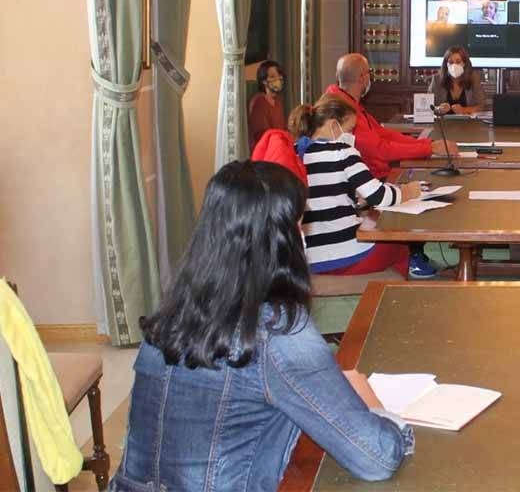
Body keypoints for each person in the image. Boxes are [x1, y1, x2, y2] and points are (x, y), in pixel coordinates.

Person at [109, 161, 414, 491]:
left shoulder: (169, 316)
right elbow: (376, 457)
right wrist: (373, 405)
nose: (304, 235)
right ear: (280, 240)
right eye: (299, 225)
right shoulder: (279, 333)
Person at [325, 54, 455, 278]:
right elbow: (380, 149)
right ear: (363, 78)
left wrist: (425, 144)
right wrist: (428, 149)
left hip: (370, 177)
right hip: (365, 184)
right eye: (369, 75)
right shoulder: (341, 109)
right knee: (418, 193)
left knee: (420, 184)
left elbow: (382, 134)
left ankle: (415, 253)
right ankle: (413, 256)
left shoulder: (346, 101)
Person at [290, 95, 420, 276]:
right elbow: (379, 196)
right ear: (334, 125)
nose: (352, 136)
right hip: (343, 256)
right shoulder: (342, 151)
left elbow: (325, 195)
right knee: (400, 246)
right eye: (350, 129)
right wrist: (407, 191)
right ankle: (389, 296)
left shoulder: (294, 151)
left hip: (306, 259)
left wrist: (355, 201)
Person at [428, 46, 486, 115]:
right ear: (446, 64)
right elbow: (428, 106)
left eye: (458, 62)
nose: (454, 65)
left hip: (468, 124)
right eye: (450, 62)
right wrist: (438, 109)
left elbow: (482, 106)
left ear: (464, 63)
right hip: (443, 124)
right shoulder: (437, 79)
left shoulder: (474, 79)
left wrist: (464, 110)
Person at [248, 60, 287, 151]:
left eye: (279, 75)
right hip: (264, 152)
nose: (278, 79)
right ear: (264, 81)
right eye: (273, 76)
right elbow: (262, 135)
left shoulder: (278, 100)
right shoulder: (258, 102)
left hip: (279, 148)